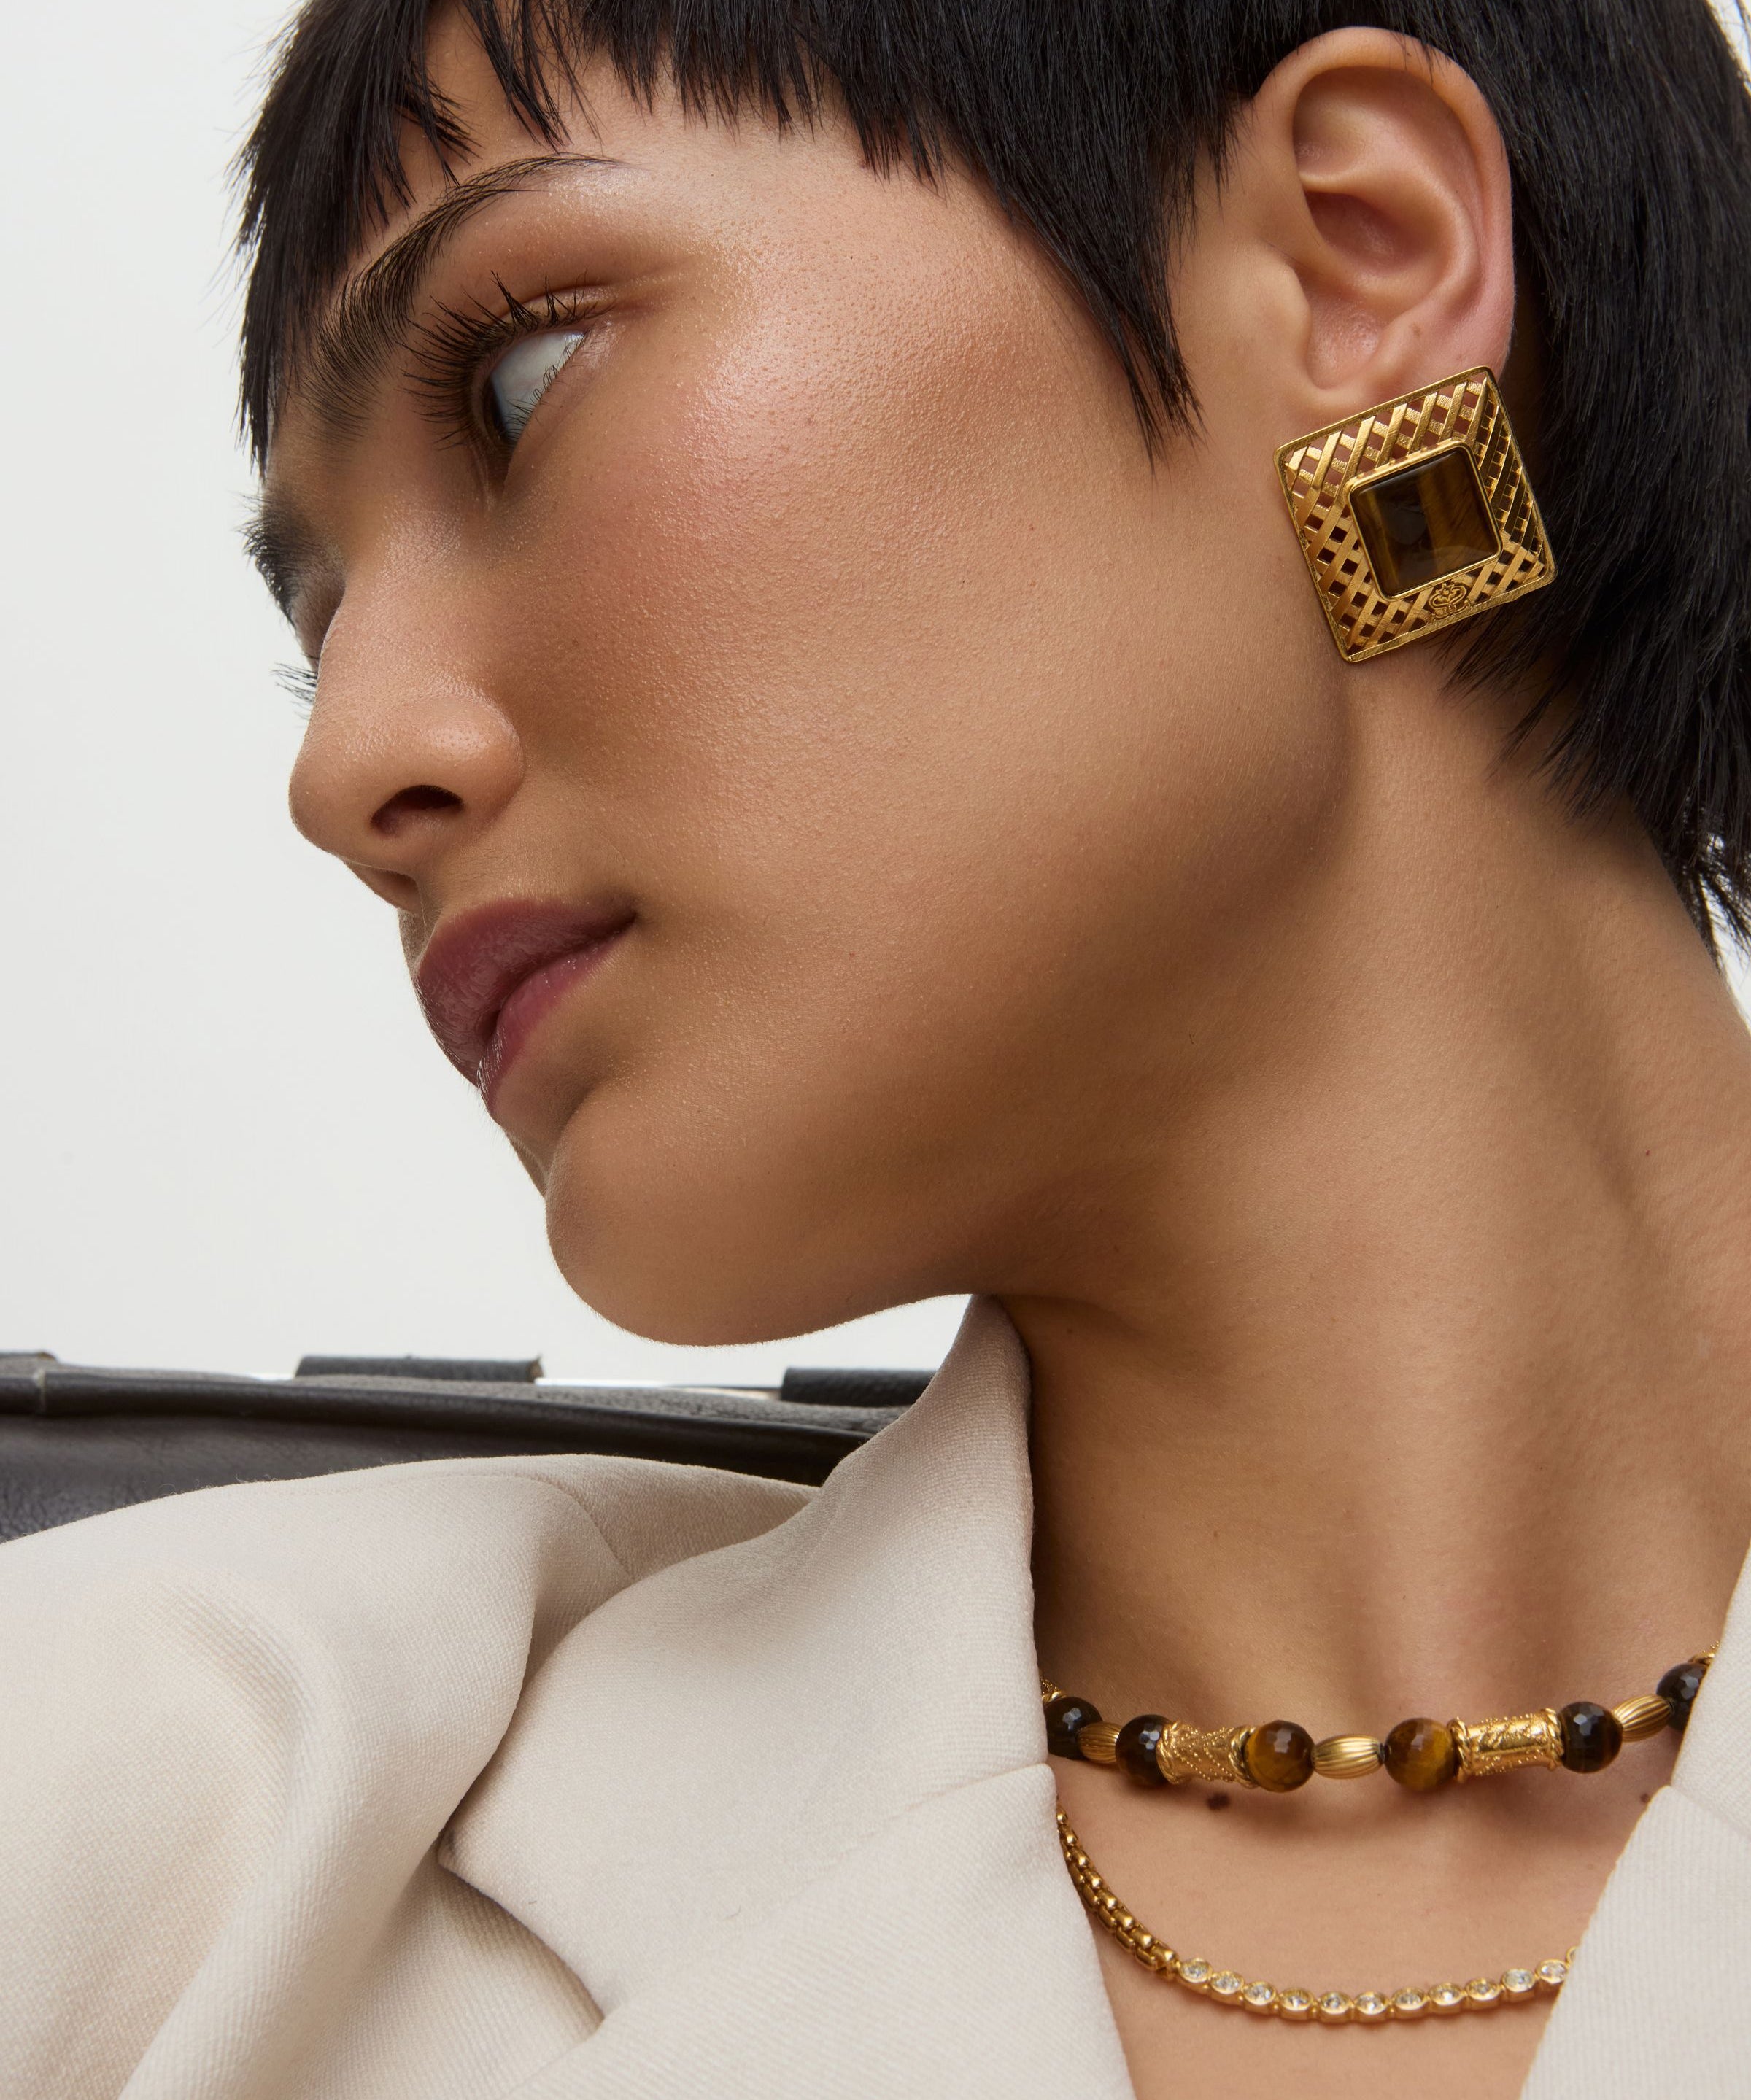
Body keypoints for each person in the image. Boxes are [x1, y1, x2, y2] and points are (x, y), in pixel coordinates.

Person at [5, 1, 1751, 2093]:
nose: (348, 762)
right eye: (320, 619)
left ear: (1355, 260)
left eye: (519, 380)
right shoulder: (148, 1821)